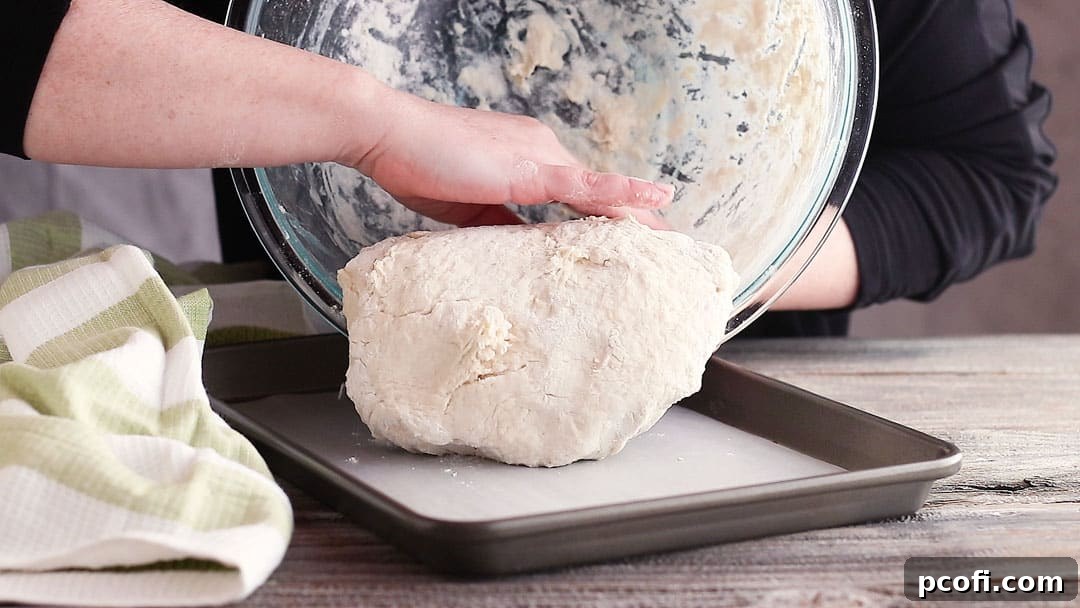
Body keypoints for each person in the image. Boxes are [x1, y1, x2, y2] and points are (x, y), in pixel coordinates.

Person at [2, 0, 1057, 337]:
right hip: (334, 408)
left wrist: (690, 266)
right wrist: (369, 121)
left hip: (723, 422)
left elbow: (992, 172)